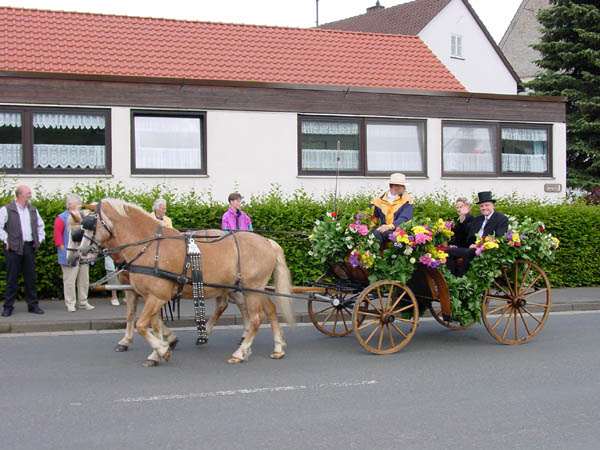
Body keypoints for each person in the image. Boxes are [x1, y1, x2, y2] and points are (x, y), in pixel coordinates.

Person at [0, 185, 45, 317]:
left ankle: (33, 306)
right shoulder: (6, 209)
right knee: (11, 279)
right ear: (19, 195)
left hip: (29, 247)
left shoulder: (33, 209)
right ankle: (8, 307)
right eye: (28, 193)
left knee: (31, 278)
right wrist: (6, 240)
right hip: (13, 248)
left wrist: (39, 240)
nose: (30, 194)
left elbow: (40, 226)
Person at [447, 191, 509, 276]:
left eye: (487, 205)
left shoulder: (501, 218)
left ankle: (461, 278)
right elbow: (466, 233)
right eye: (481, 206)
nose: (484, 208)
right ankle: (453, 277)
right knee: (448, 250)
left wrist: (479, 245)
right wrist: (463, 218)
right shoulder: (478, 219)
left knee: (468, 253)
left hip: (487, 250)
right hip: (471, 248)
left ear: (493, 205)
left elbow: (498, 236)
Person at [54, 194, 94, 312]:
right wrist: (63, 251)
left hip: (82, 252)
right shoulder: (61, 218)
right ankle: (70, 303)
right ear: (70, 204)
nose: (80, 205)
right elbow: (57, 236)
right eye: (77, 203)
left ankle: (83, 302)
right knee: (70, 281)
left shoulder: (83, 217)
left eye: (80, 203)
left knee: (84, 279)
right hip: (69, 253)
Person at [370, 173, 413, 243]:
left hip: (399, 231)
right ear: (395, 186)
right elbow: (374, 218)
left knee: (396, 239)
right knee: (374, 234)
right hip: (383, 230)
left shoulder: (407, 200)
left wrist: (389, 226)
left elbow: (404, 218)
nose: (404, 188)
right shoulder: (379, 200)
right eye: (403, 186)